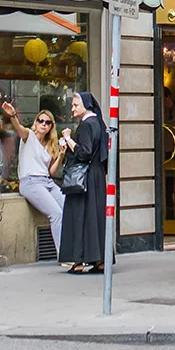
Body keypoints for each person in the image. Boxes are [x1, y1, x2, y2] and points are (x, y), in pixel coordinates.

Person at [0, 101, 66, 252]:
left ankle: (74, 251)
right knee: (56, 214)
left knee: (69, 208)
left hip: (47, 182)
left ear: (51, 126)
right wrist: (13, 115)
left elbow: (51, 173)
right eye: (40, 120)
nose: (43, 124)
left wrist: (61, 156)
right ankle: (63, 254)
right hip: (31, 182)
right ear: (35, 122)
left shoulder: (50, 145)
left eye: (47, 122)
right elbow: (19, 128)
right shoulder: (29, 136)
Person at [58, 91, 108, 274]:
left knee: (79, 217)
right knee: (95, 218)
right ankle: (99, 260)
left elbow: (84, 153)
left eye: (75, 105)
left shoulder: (86, 125)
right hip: (97, 176)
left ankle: (78, 261)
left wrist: (68, 139)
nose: (72, 109)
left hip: (83, 178)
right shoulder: (99, 123)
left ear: (86, 105)